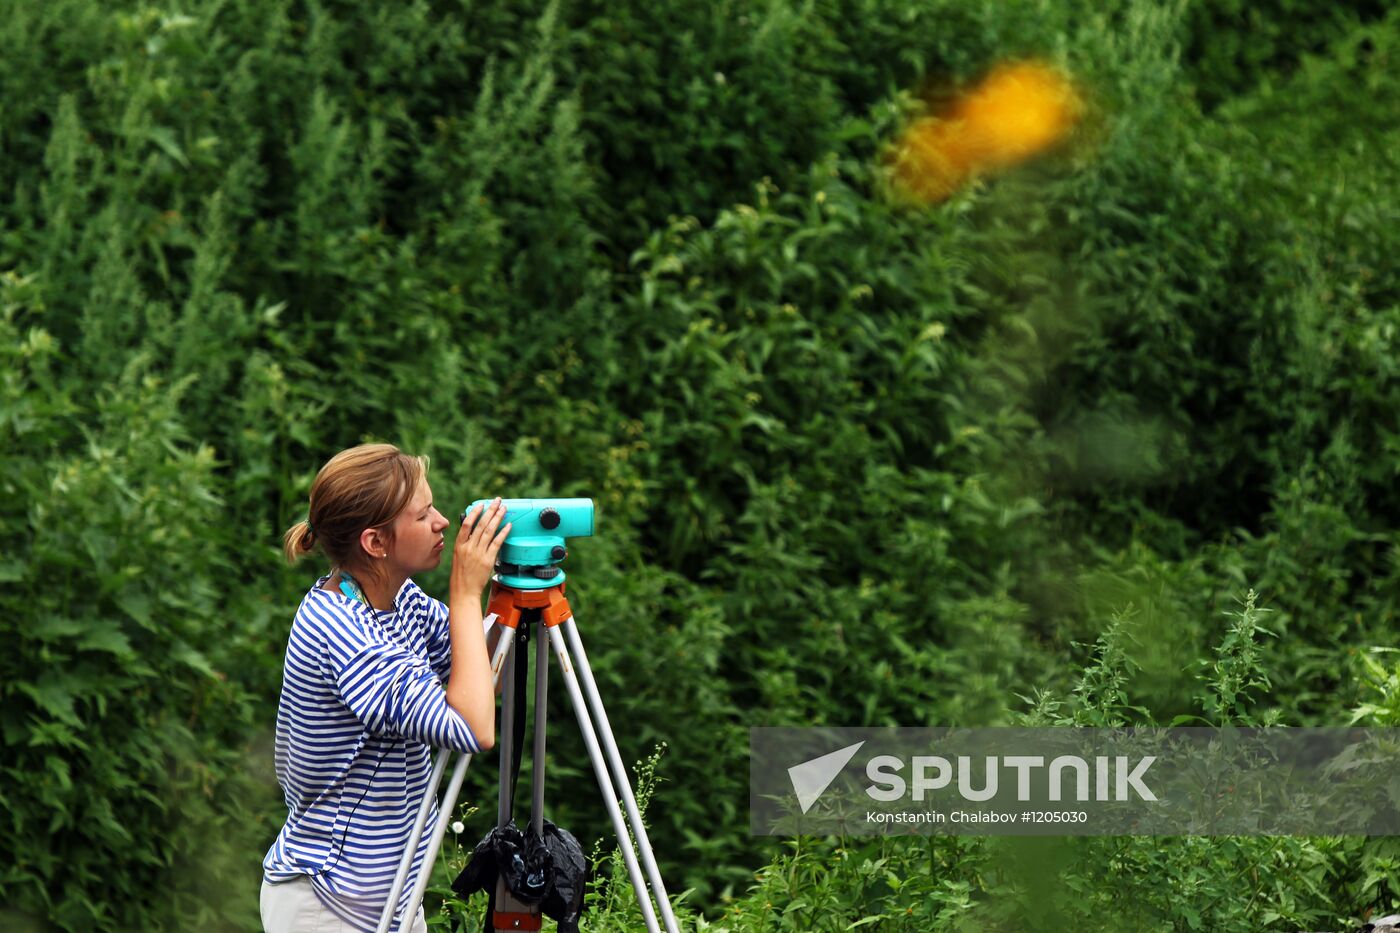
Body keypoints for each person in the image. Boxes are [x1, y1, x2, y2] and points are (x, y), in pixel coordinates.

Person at [261, 443, 510, 932]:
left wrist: (510, 590)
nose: (442, 522)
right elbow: (473, 726)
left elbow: (479, 677)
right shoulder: (345, 633)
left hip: (392, 898)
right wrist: (464, 591)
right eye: (424, 515)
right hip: (329, 904)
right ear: (376, 543)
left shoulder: (397, 602)